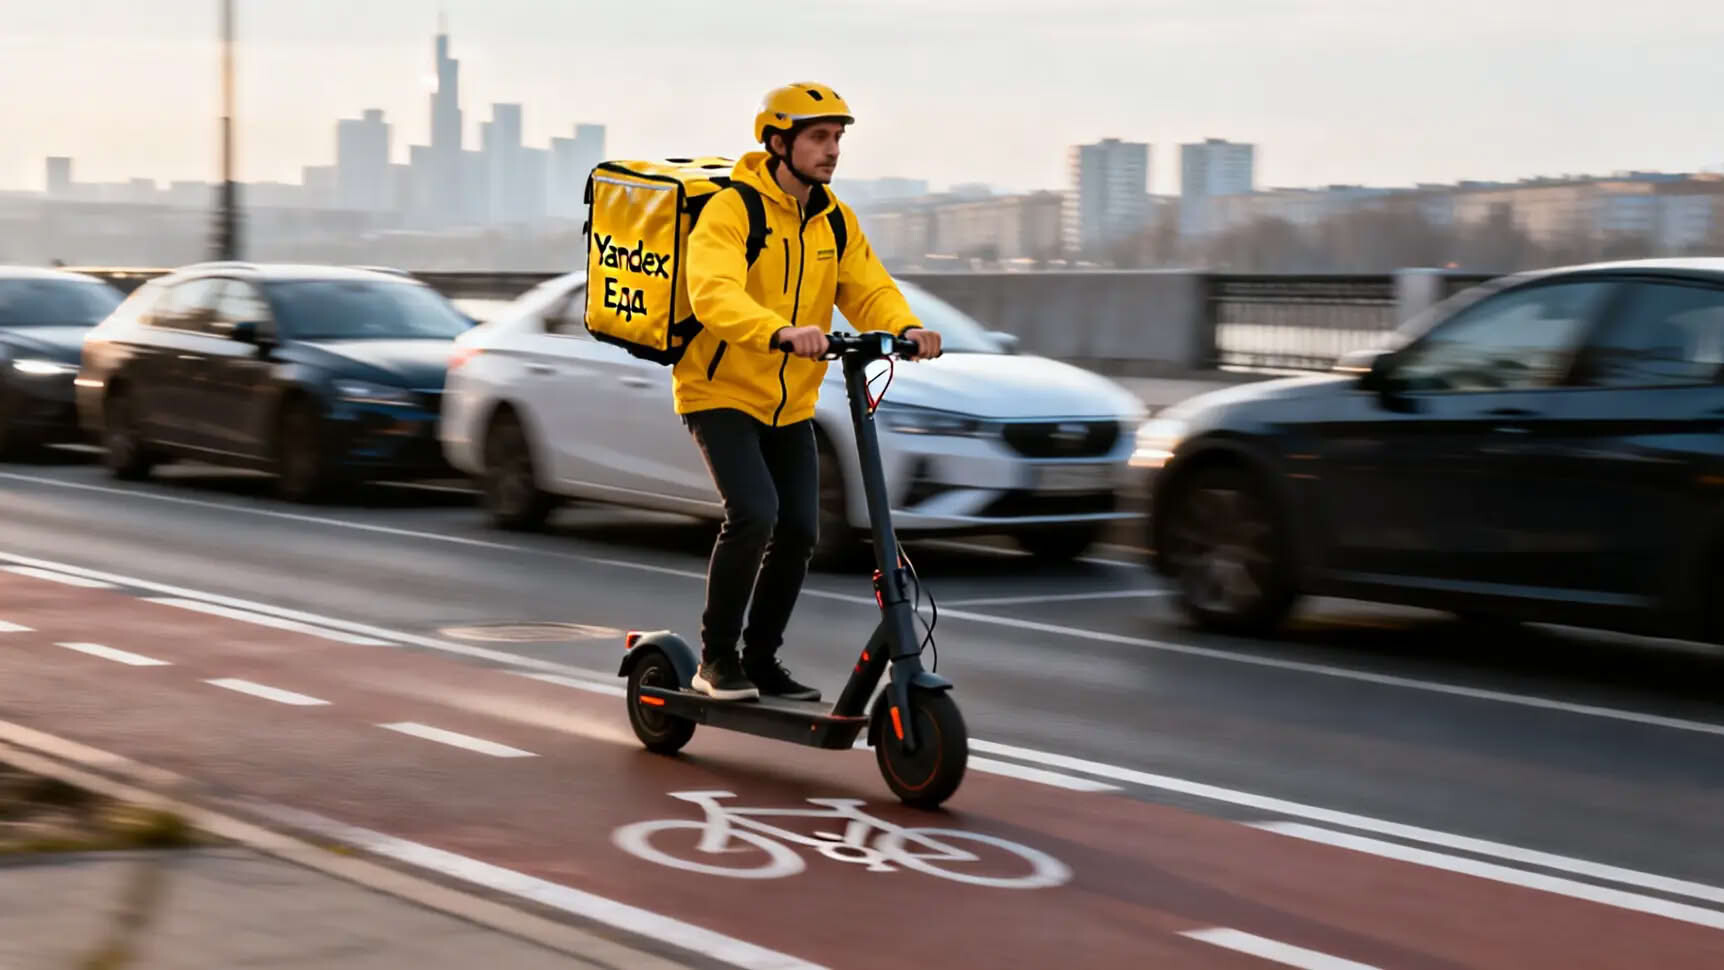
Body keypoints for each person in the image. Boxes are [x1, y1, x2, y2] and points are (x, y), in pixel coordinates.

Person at [674, 81, 942, 702]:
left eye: (838, 138)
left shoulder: (833, 219)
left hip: (790, 401)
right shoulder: (733, 210)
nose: (832, 151)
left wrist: (903, 325)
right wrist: (777, 331)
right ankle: (716, 660)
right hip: (719, 390)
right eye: (819, 138)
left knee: (800, 528)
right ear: (778, 141)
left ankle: (761, 659)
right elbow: (712, 291)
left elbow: (867, 286)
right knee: (754, 514)